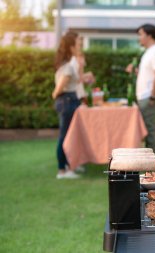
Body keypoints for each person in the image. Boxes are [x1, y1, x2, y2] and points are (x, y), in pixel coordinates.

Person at [126, 24, 155, 158]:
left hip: (149, 97)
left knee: (150, 130)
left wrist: (153, 96)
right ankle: (154, 159)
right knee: (152, 128)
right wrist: (136, 71)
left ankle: (151, 161)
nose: (139, 38)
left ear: (149, 35)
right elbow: (149, 74)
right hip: (147, 96)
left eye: (141, 34)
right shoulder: (150, 51)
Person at [52, 31, 82, 179]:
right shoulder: (68, 67)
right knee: (65, 137)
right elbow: (59, 88)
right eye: (77, 44)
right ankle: (62, 171)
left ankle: (69, 167)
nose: (79, 46)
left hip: (70, 101)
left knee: (69, 136)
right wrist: (55, 94)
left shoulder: (67, 65)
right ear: (71, 47)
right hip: (67, 101)